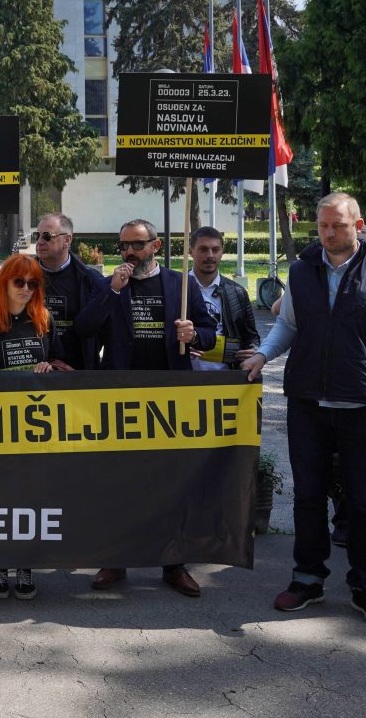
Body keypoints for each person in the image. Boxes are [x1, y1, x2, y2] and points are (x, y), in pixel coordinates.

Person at [243, 193, 366, 629]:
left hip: (363, 405)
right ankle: (307, 578)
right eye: (322, 226)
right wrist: (263, 355)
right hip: (308, 404)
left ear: (358, 226)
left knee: (365, 502)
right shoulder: (301, 271)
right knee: (307, 496)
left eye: (337, 225)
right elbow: (288, 325)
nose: (328, 233)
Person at [74, 218, 216, 598]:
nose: (129, 252)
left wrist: (193, 334)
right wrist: (113, 292)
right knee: (119, 482)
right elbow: (84, 328)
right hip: (120, 397)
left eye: (136, 245)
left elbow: (208, 333)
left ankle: (174, 564)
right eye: (123, 245)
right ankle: (115, 559)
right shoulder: (109, 284)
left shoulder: (180, 284)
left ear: (155, 246)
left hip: (169, 398)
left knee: (170, 483)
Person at [0, 254, 66, 601]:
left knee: (30, 497)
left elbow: (62, 364)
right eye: (19, 282)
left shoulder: (45, 321)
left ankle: (25, 564)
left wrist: (51, 368)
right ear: (4, 284)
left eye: (33, 283)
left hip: (35, 428)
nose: (26, 289)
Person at [31, 212, 106, 370]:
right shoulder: (21, 277)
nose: (39, 241)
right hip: (34, 371)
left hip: (78, 371)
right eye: (37, 235)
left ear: (67, 240)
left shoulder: (91, 280)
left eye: (47, 236)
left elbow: (101, 329)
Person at [186, 227, 261, 372]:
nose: (210, 255)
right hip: (185, 376)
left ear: (222, 252)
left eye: (215, 250)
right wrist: (178, 349)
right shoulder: (175, 288)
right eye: (203, 249)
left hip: (226, 377)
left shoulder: (237, 292)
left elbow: (251, 336)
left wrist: (253, 351)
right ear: (191, 251)